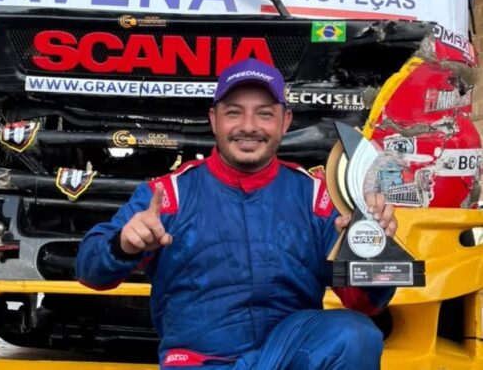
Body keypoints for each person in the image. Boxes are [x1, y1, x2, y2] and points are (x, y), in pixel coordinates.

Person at [74, 58, 397, 369]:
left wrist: (371, 250)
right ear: (214, 119)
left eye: (264, 114)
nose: (248, 127)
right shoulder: (167, 195)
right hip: (199, 363)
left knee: (356, 335)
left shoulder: (318, 198)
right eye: (233, 113)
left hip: (286, 358)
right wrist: (123, 245)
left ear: (285, 121)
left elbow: (367, 303)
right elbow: (90, 272)